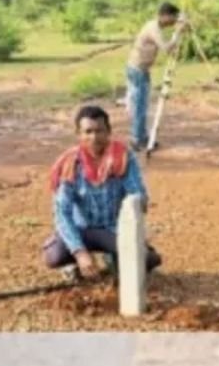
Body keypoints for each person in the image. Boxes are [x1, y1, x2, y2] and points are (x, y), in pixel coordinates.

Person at [41, 104, 163, 282]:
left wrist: (139, 209)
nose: (94, 137)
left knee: (147, 260)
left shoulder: (122, 157)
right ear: (78, 134)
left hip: (112, 229)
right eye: (88, 132)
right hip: (82, 229)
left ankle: (114, 257)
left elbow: (137, 196)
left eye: (99, 131)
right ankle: (75, 263)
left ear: (108, 132)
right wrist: (80, 252)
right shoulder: (70, 163)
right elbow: (62, 213)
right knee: (54, 255)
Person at [124, 2, 187, 151]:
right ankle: (137, 139)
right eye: (172, 18)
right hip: (137, 70)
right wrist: (177, 33)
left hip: (141, 70)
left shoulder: (155, 26)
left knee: (142, 105)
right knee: (140, 106)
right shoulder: (153, 28)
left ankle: (142, 136)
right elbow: (166, 49)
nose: (173, 22)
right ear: (165, 16)